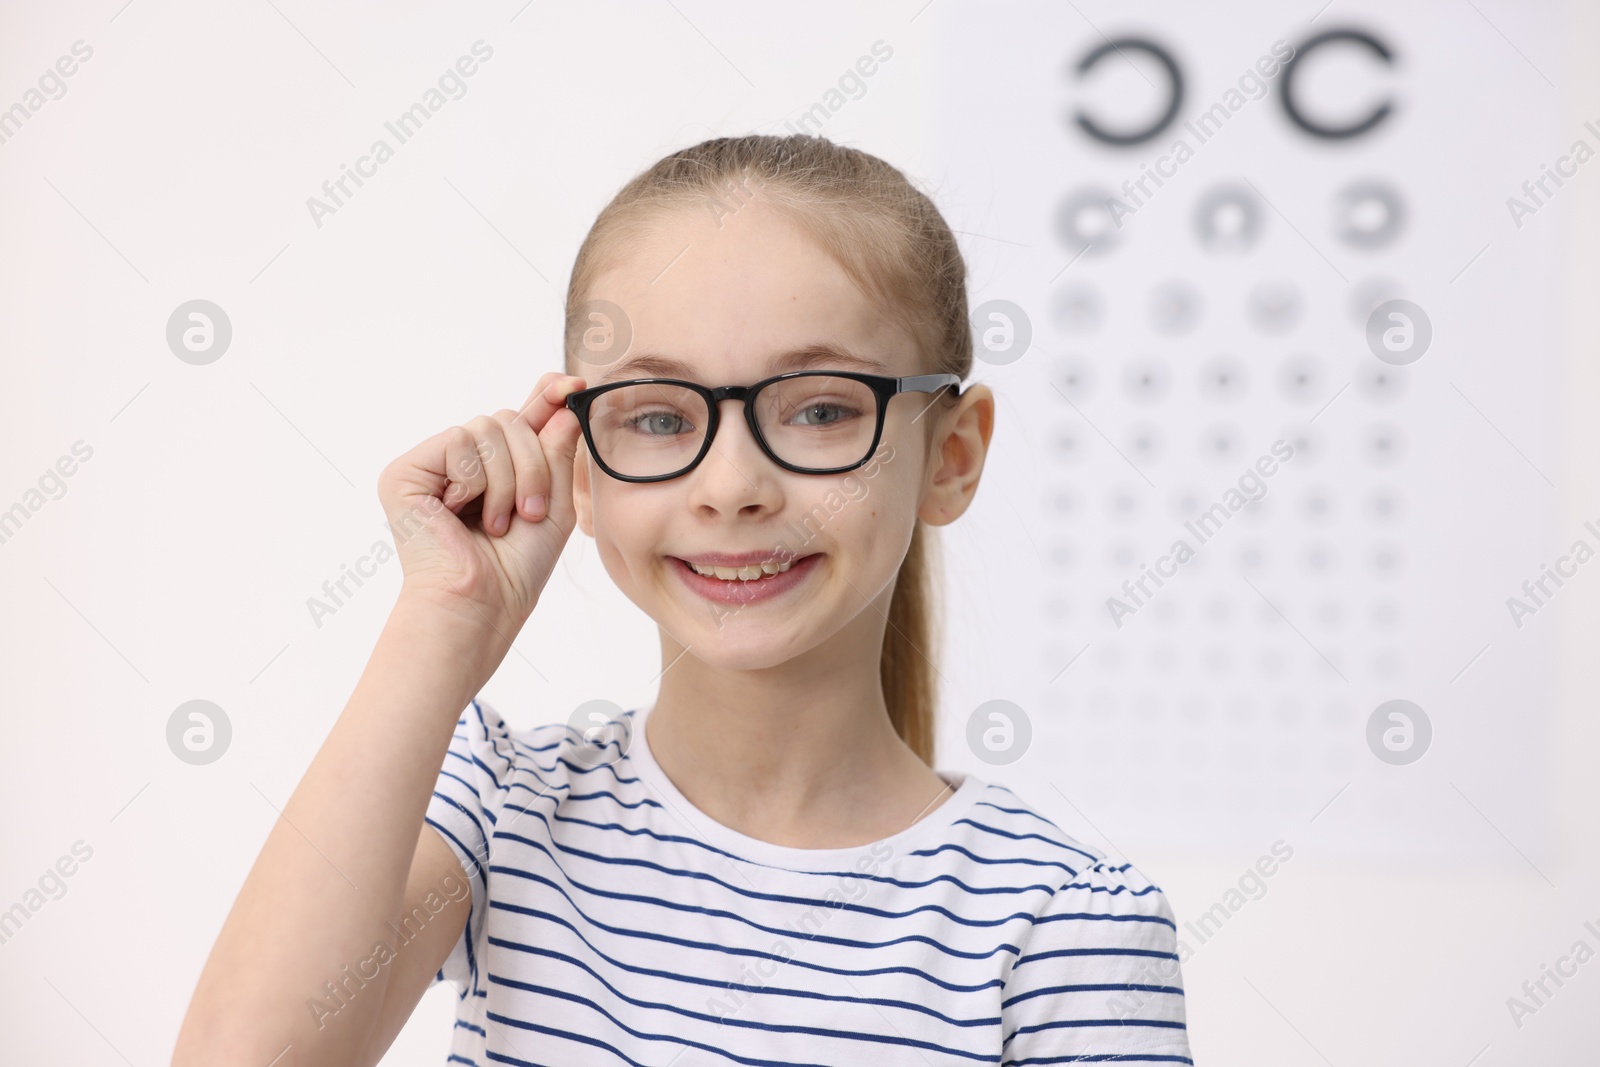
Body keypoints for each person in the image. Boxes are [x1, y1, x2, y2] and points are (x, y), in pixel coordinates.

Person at [172, 133, 1191, 1066]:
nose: (729, 483)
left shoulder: (1065, 922)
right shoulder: (502, 807)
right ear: (579, 467)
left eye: (824, 408)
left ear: (951, 455)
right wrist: (442, 620)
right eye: (658, 417)